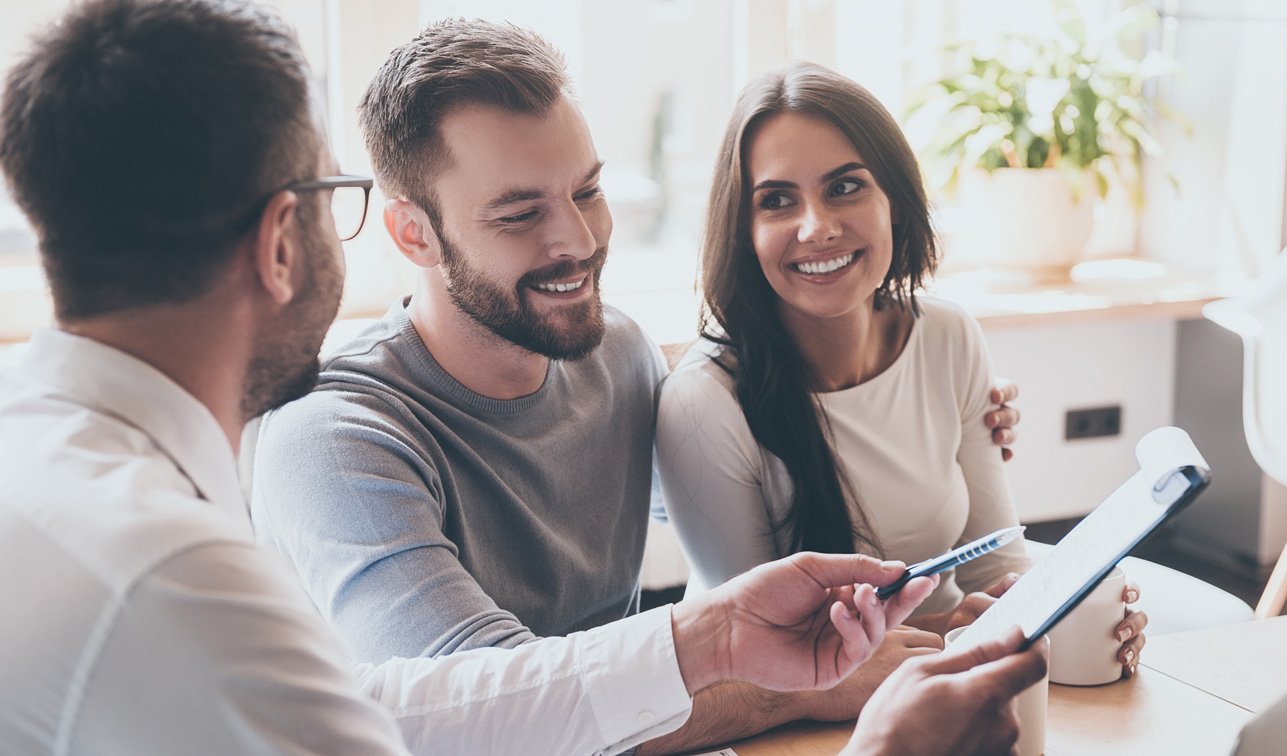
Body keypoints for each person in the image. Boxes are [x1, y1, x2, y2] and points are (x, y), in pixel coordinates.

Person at [0, 3, 1048, 753]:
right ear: (312, 237)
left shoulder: (615, 353)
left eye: (588, 192)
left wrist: (940, 403)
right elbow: (472, 718)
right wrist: (837, 711)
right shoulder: (218, 542)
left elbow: (421, 707)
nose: (578, 241)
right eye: (517, 214)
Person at [655, 62, 1148, 673]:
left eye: (845, 187)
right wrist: (953, 633)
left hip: (947, 679)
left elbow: (995, 567)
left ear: (894, 200)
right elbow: (764, 655)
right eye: (777, 201)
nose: (817, 227)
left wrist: (1072, 618)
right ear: (742, 230)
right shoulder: (703, 403)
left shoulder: (946, 336)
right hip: (788, 710)